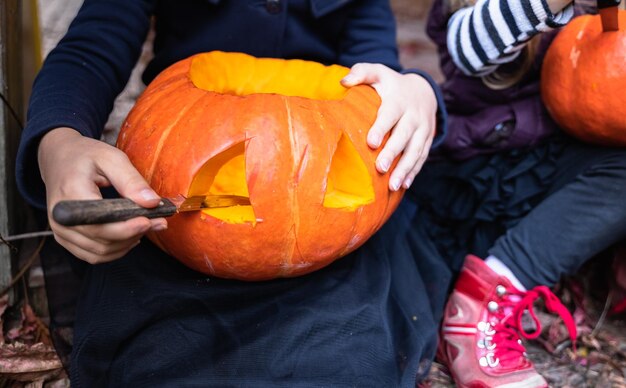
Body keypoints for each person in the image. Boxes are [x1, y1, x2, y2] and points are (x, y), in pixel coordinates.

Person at [16, 0, 450, 386]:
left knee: (342, 358)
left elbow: (376, 81)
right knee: (159, 350)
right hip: (177, 212)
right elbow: (92, 47)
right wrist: (59, 141)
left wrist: (414, 91)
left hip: (327, 246)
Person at [407, 0, 626, 386]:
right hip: (490, 176)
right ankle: (482, 304)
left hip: (562, 169)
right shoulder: (475, 12)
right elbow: (469, 50)